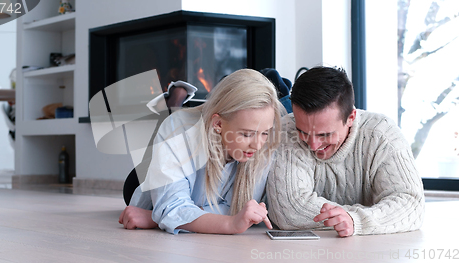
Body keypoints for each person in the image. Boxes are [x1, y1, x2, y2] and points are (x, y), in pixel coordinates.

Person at [119, 68, 285, 234]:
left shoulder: (265, 144)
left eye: (264, 132)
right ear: (218, 124)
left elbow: (235, 209)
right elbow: (171, 207)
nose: (257, 145)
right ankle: (171, 106)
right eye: (247, 134)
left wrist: (160, 218)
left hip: (192, 187)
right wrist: (230, 224)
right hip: (149, 182)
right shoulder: (178, 131)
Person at [267, 66, 425, 237]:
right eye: (303, 132)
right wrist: (374, 215)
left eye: (324, 134)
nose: (313, 145)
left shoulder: (382, 135)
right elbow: (289, 211)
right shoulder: (286, 130)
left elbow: (411, 204)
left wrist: (355, 220)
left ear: (351, 117)